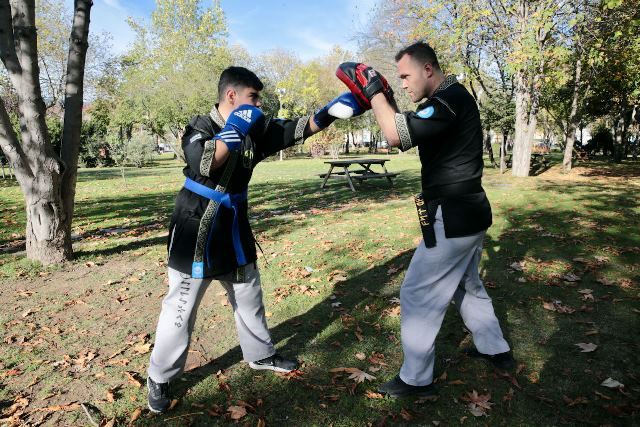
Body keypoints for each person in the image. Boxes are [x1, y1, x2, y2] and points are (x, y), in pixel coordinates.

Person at [147, 66, 362, 413]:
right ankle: (159, 375)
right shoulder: (199, 126)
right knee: (181, 308)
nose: (259, 104)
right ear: (232, 96)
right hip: (196, 227)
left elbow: (297, 129)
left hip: (233, 226)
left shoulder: (256, 129)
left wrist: (338, 108)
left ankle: (260, 355)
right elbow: (203, 163)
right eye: (253, 97)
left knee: (249, 296)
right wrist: (234, 129)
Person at [336, 42, 514, 398]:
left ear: (427, 69)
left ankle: (417, 380)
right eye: (397, 79)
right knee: (467, 284)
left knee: (417, 292)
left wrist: (373, 92)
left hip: (455, 213)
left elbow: (394, 135)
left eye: (405, 76)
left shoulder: (449, 99)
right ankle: (494, 348)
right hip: (464, 210)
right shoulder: (445, 101)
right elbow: (407, 125)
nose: (402, 83)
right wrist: (384, 98)